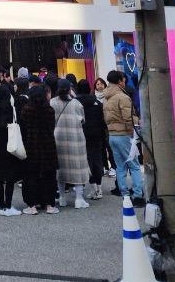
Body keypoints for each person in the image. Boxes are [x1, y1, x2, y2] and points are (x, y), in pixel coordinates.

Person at [101, 70, 144, 205]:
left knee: (120, 166)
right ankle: (137, 195)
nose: (125, 82)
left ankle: (124, 193)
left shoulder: (106, 98)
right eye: (123, 79)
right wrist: (136, 126)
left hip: (112, 135)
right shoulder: (122, 97)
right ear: (120, 81)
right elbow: (128, 118)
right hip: (124, 134)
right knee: (134, 165)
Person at [50, 79, 91, 209]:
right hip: (75, 139)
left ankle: (62, 198)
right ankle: (79, 199)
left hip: (58, 138)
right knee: (77, 168)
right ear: (69, 89)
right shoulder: (76, 104)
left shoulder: (52, 102)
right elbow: (82, 120)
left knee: (60, 169)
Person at [19, 82, 59, 214]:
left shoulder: (26, 110)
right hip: (48, 146)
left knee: (31, 175)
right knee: (49, 175)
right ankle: (49, 204)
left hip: (31, 146)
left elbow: (23, 129)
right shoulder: (49, 110)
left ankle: (32, 205)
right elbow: (52, 127)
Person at [0, 82, 23, 215]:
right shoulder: (10, 109)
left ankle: (2, 207)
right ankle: (9, 205)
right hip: (9, 146)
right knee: (10, 178)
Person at [76, 79, 107, 200]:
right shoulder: (97, 102)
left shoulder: (76, 103)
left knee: (87, 161)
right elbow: (102, 120)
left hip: (83, 135)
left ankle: (93, 188)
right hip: (97, 135)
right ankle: (99, 188)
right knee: (97, 160)